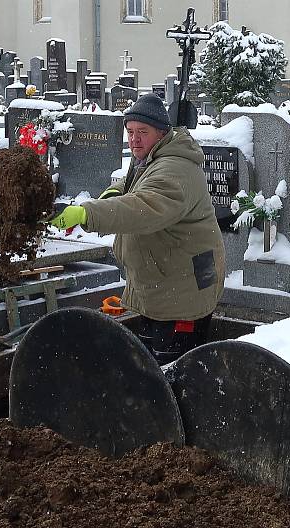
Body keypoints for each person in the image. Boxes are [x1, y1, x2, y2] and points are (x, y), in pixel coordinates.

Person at [49, 93, 225, 364]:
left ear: (162, 133)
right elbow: (134, 186)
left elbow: (143, 206)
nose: (134, 139)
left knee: (174, 373)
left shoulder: (175, 168)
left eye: (143, 132)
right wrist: (111, 194)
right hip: (161, 285)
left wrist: (87, 213)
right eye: (130, 132)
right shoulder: (152, 157)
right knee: (152, 370)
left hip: (181, 294)